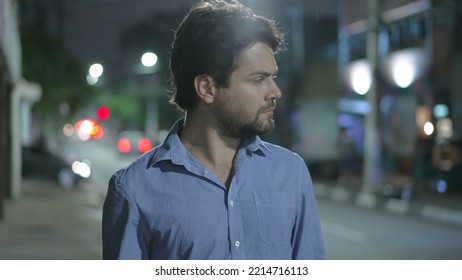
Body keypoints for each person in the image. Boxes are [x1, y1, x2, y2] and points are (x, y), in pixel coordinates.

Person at [102, 0, 326, 260]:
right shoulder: (134, 188)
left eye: (273, 77)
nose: (275, 92)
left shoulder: (290, 171)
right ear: (207, 88)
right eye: (258, 79)